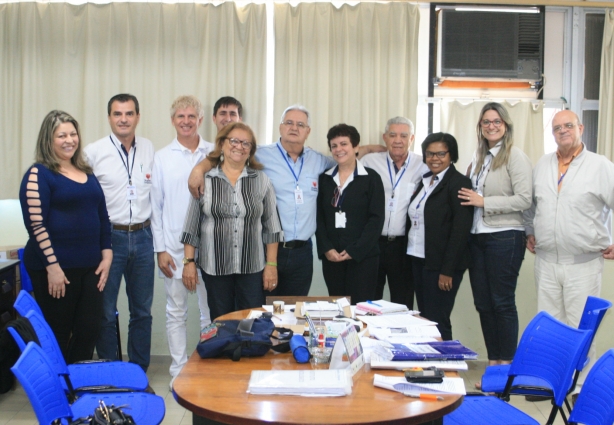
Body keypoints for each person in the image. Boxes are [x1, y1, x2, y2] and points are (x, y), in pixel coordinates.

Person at [187, 105, 383, 296]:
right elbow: (226, 155)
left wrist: (371, 148)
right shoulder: (260, 154)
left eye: (300, 124)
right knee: (265, 311)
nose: (294, 128)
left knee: (293, 313)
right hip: (269, 250)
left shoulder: (319, 161)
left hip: (303, 253)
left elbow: (345, 158)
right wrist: (199, 169)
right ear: (280, 127)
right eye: (289, 122)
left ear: (308, 131)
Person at [525, 109, 614, 394]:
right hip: (547, 261)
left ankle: (581, 389)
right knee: (549, 326)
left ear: (580, 128)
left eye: (568, 126)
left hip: (583, 263)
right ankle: (552, 384)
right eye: (556, 127)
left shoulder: (600, 165)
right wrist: (530, 231)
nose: (562, 131)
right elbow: (531, 206)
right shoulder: (543, 165)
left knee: (580, 328)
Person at [19, 110, 112, 363]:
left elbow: (102, 215)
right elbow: (36, 226)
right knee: (58, 332)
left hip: (91, 267)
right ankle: (60, 391)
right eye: (61, 135)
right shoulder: (38, 174)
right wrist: (53, 266)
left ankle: (76, 385)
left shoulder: (86, 172)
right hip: (55, 270)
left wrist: (107, 254)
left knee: (89, 329)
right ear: (48, 140)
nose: (69, 140)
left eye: (73, 134)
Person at [457, 103, 532, 385]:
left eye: (496, 121)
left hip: (505, 236)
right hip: (479, 237)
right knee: (484, 304)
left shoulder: (515, 156)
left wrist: (484, 201)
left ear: (506, 125)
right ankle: (495, 364)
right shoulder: (480, 158)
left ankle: (507, 371)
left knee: (501, 303)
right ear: (480, 127)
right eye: (486, 122)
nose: (491, 126)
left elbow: (525, 199)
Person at [181, 122, 284, 320]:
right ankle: (225, 352)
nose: (240, 146)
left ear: (251, 150)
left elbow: (272, 227)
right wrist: (189, 262)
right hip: (215, 266)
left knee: (252, 322)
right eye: (234, 141)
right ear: (222, 144)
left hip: (252, 267)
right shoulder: (206, 179)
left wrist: (271, 265)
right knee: (222, 322)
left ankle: (249, 352)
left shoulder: (261, 180)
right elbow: (192, 225)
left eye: (246, 143)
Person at [85, 94, 155, 372]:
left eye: (128, 113)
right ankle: (111, 370)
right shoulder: (93, 152)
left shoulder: (149, 148)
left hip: (144, 236)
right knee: (105, 311)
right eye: (117, 114)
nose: (123, 119)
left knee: (142, 311)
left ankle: (138, 371)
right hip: (109, 240)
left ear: (137, 116)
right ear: (109, 118)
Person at [151, 96, 214, 388]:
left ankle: (208, 365)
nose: (186, 121)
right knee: (175, 312)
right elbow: (156, 207)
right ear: (173, 120)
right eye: (180, 116)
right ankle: (178, 370)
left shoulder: (215, 153)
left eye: (191, 116)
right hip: (174, 251)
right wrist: (160, 250)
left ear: (200, 119)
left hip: (211, 250)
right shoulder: (162, 157)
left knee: (210, 313)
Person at [406, 133, 473, 340]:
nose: (434, 158)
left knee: (438, 319)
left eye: (441, 153)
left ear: (451, 155)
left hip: (442, 266)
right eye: (429, 154)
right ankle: (429, 366)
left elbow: (460, 231)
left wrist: (448, 271)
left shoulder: (459, 183)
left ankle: (445, 365)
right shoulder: (425, 181)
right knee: (425, 318)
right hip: (418, 259)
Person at [361, 117, 428, 308]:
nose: (398, 140)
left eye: (403, 135)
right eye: (392, 135)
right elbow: (343, 160)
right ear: (385, 137)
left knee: (403, 301)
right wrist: (367, 148)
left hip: (403, 246)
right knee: (370, 301)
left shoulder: (423, 165)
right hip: (373, 243)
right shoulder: (370, 162)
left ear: (412, 138)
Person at [315, 124, 385, 303]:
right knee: (338, 309)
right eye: (334, 146)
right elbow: (319, 218)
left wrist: (355, 250)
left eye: (344, 144)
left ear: (355, 147)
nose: (339, 149)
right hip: (333, 259)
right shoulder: (325, 179)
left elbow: (376, 219)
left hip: (363, 258)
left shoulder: (371, 178)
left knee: (360, 310)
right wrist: (326, 249)